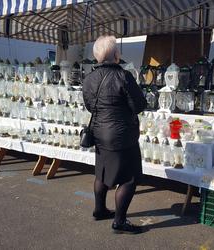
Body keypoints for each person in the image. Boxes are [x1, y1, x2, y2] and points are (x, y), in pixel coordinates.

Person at [82, 35, 147, 234]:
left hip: (99, 133)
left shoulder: (89, 78)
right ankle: (119, 221)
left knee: (102, 172)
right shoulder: (124, 76)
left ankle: (99, 209)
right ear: (116, 55)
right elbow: (139, 106)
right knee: (129, 178)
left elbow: (89, 106)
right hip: (121, 135)